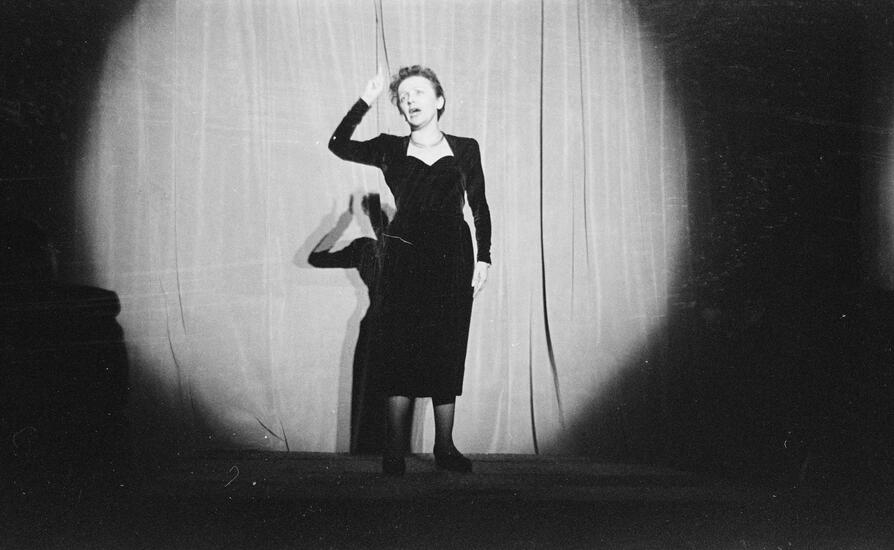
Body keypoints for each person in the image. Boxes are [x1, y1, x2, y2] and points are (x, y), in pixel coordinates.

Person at [328, 65, 492, 475]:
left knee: (447, 346)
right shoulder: (389, 148)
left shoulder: (465, 148)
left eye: (418, 92)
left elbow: (479, 205)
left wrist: (484, 257)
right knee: (399, 350)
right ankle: (394, 450)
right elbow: (338, 145)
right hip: (404, 257)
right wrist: (365, 100)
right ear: (400, 110)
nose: (410, 100)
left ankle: (445, 447)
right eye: (403, 97)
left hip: (453, 256)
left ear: (439, 100)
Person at [308, 194, 389, 454]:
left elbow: (316, 257)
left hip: (375, 327)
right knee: (390, 395)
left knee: (371, 393)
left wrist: (340, 225)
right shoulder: (394, 250)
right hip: (392, 329)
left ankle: (369, 453)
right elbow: (316, 259)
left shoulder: (364, 248)